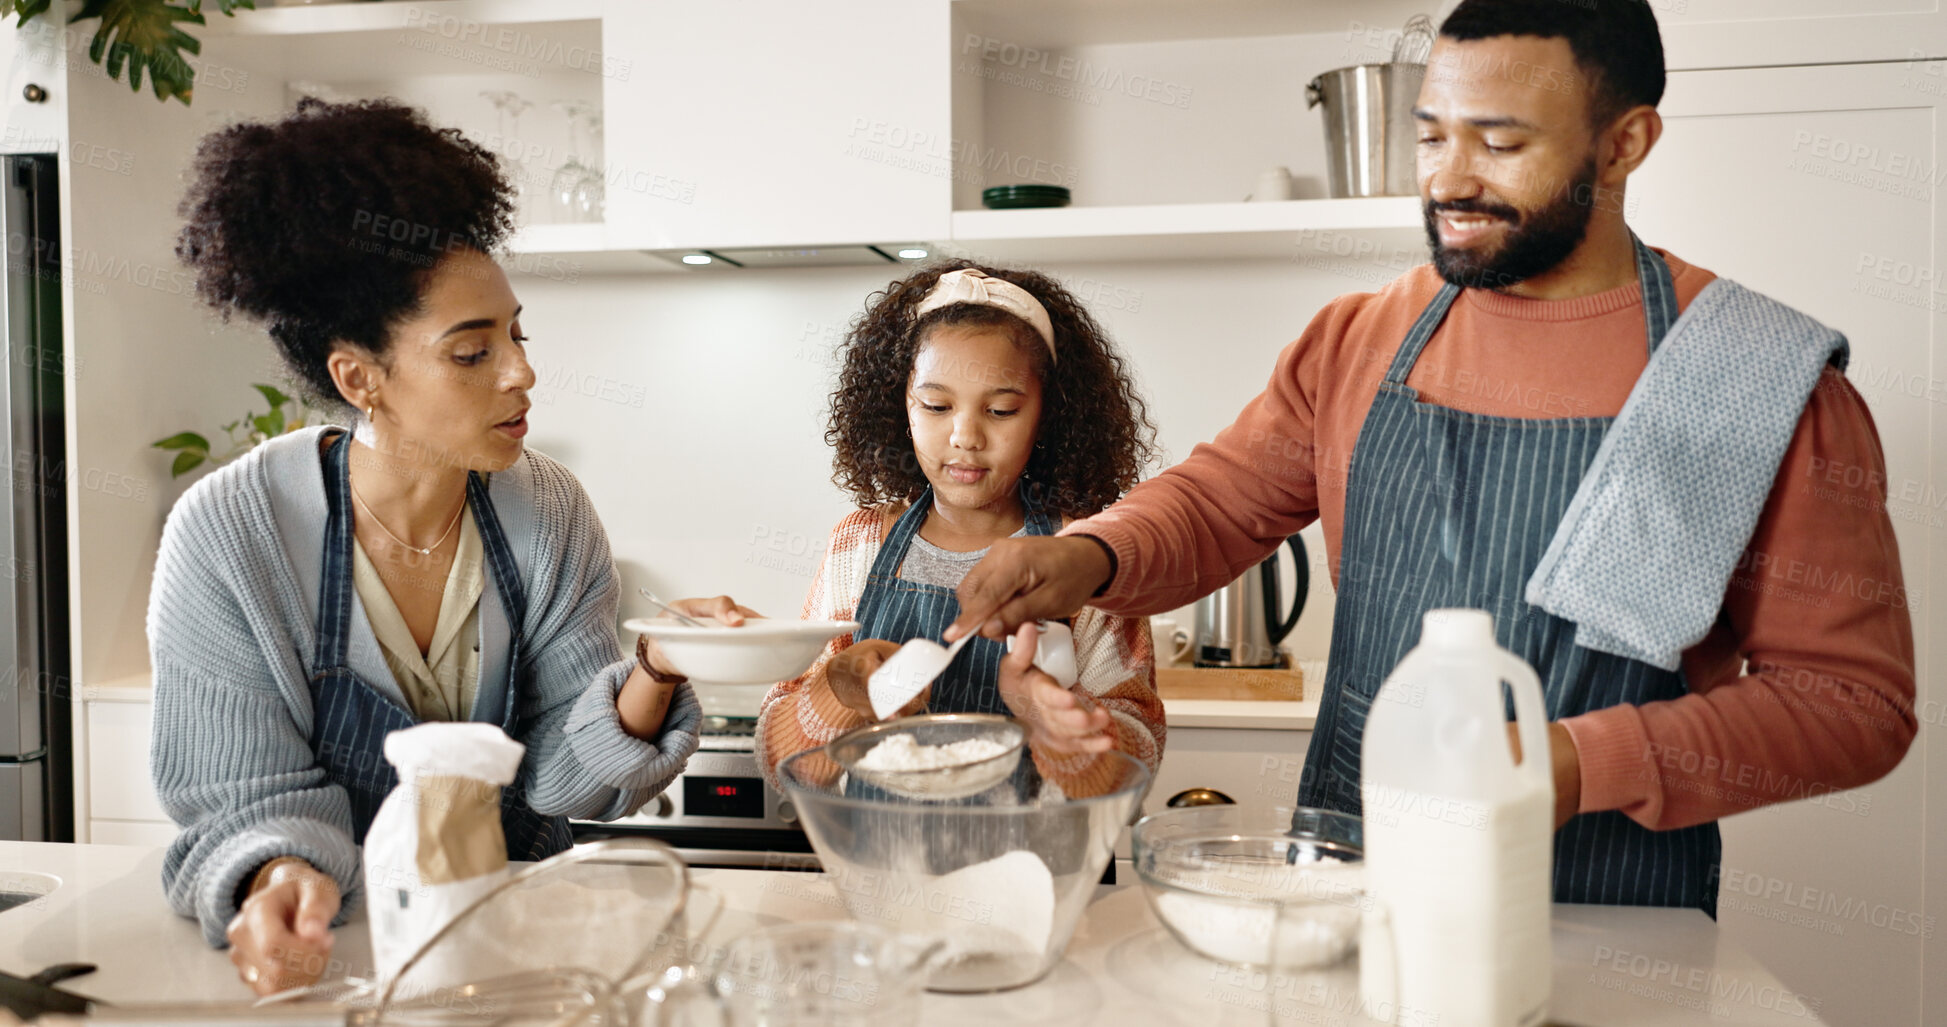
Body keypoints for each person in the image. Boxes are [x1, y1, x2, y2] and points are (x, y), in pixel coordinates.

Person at [945, 0, 1916, 912]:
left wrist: (1573, 762)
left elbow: (1853, 704)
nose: (1450, 178)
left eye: (1500, 142)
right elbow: (1216, 503)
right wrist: (1086, 557)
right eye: (1431, 135)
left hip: (1612, 917)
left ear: (1625, 143)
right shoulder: (1363, 337)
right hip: (1354, 899)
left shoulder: (1758, 374)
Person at [154, 99, 750, 994]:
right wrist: (282, 879)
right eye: (471, 353)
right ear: (359, 377)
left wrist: (653, 671)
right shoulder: (233, 535)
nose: (521, 371)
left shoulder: (546, 510)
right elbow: (241, 800)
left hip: (521, 954)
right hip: (339, 959)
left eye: (516, 333)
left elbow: (559, 778)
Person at [754, 263, 1165, 798]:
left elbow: (1136, 768)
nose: (965, 436)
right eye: (937, 405)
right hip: (879, 872)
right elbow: (784, 770)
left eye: (1000, 409)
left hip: (1039, 873)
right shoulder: (858, 544)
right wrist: (841, 692)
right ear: (901, 405)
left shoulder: (1085, 555)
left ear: (1047, 415)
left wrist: (1059, 722)